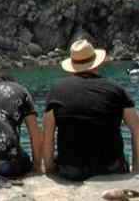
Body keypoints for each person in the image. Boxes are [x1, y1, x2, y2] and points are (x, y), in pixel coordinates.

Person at [43, 39, 139, 181]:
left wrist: (50, 171)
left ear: (73, 65)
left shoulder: (57, 90)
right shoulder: (115, 89)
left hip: (71, 171)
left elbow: (48, 134)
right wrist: (136, 168)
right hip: (110, 169)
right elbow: (136, 129)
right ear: (96, 64)